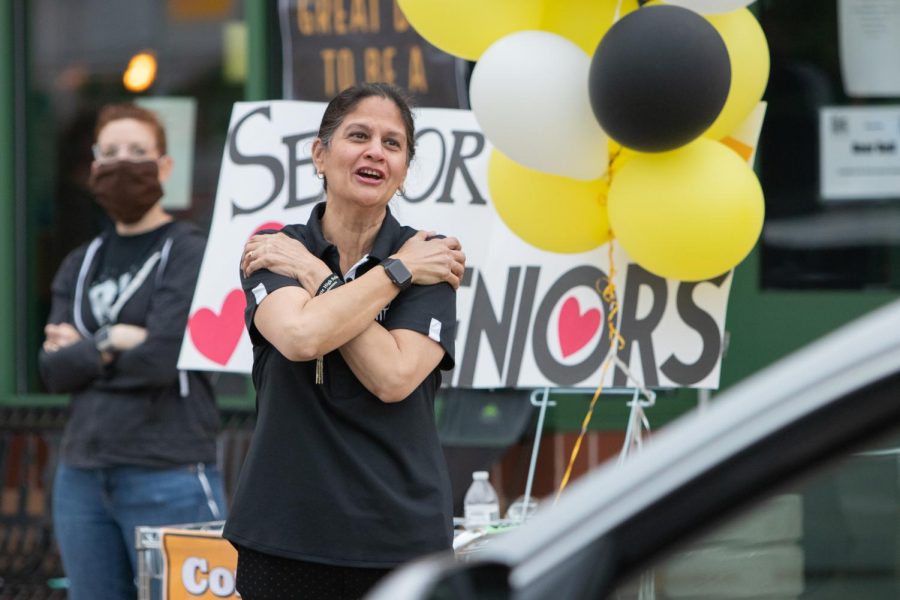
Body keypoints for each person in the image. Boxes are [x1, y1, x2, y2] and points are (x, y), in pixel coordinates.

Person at [223, 83, 466, 600]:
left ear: (402, 170)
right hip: (284, 533)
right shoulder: (276, 249)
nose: (376, 150)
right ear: (320, 153)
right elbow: (300, 335)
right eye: (359, 135)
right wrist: (396, 273)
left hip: (400, 539)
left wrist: (320, 276)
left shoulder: (431, 259)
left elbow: (394, 377)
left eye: (393, 143)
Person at [39, 103, 225, 600]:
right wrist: (115, 338)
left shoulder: (187, 250)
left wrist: (87, 351)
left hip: (170, 473)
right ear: (94, 168)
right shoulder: (81, 262)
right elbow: (52, 371)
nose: (124, 163)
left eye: (138, 152)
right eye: (112, 153)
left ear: (165, 167)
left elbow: (162, 359)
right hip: (81, 478)